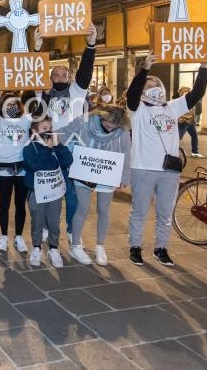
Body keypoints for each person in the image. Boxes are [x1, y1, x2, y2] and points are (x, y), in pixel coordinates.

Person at [126, 51, 207, 268]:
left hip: (169, 170)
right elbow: (133, 94)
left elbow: (197, 93)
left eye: (154, 82)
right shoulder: (137, 110)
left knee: (165, 212)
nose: (151, 85)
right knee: (139, 210)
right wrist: (144, 70)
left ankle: (160, 248)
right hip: (143, 167)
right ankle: (135, 247)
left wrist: (204, 67)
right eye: (147, 83)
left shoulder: (172, 107)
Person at [34, 23, 98, 243]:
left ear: (70, 77)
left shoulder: (77, 91)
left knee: (71, 195)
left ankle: (71, 230)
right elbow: (34, 71)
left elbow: (86, 70)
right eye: (56, 74)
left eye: (64, 74)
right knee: (47, 190)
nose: (60, 76)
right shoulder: (43, 92)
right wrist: (37, 49)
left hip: (73, 148)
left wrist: (90, 46)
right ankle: (45, 226)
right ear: (50, 77)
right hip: (48, 147)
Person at [60, 105, 131, 266]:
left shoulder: (123, 131)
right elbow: (65, 133)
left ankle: (100, 246)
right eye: (107, 124)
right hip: (84, 170)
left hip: (107, 172)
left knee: (103, 209)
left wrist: (124, 176)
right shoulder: (85, 121)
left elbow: (126, 152)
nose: (110, 128)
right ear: (101, 117)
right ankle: (76, 245)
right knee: (82, 207)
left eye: (114, 127)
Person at [23, 115, 73, 268]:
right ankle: (36, 247)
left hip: (54, 192)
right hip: (37, 192)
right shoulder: (30, 147)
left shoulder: (56, 146)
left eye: (50, 129)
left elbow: (67, 161)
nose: (48, 132)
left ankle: (53, 248)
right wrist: (46, 148)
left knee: (53, 221)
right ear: (34, 130)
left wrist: (58, 147)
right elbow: (35, 165)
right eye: (44, 129)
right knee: (37, 219)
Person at [0, 89, 32, 253]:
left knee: (20, 205)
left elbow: (41, 115)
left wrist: (44, 94)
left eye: (14, 104)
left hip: (21, 170)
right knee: (4, 204)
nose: (11, 107)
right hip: (3, 171)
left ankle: (19, 236)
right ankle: (4, 236)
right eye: (7, 104)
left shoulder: (25, 119)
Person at [177, 87, 203, 158]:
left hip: (191, 122)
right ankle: (172, 150)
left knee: (194, 136)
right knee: (177, 137)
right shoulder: (182, 101)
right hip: (184, 122)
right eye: (185, 92)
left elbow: (193, 110)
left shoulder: (192, 100)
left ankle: (195, 152)